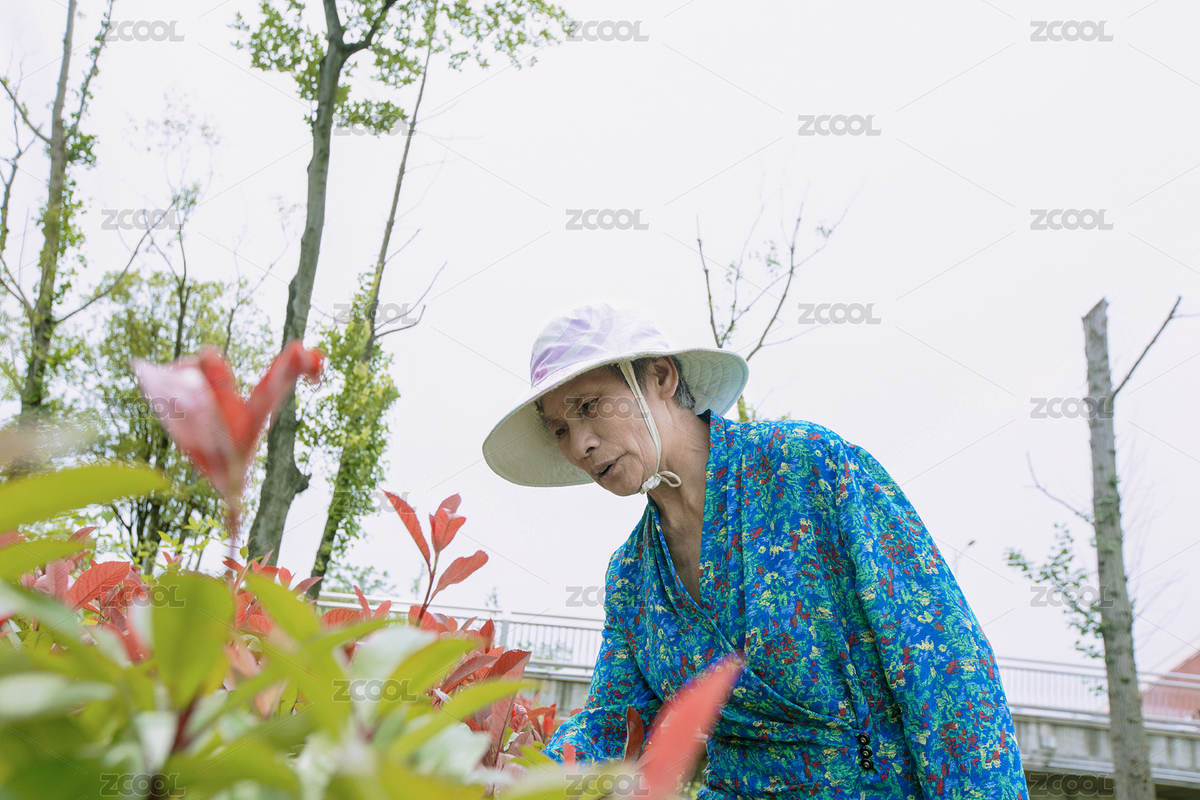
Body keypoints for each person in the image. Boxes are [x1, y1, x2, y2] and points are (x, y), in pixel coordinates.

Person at [482, 303, 1029, 799]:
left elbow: (943, 666)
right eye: (559, 428)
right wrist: (505, 785)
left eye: (590, 405)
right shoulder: (632, 575)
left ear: (663, 379)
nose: (580, 444)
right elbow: (610, 722)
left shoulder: (809, 469)